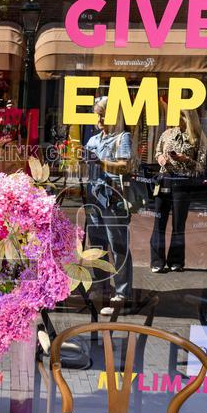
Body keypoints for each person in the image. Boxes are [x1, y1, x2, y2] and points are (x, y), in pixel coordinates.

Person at [84, 97, 136, 313]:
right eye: (98, 113)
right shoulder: (94, 139)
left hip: (113, 199)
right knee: (97, 245)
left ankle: (122, 293)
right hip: (94, 197)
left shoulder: (122, 137)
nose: (100, 118)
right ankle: (101, 287)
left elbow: (125, 166)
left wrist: (100, 162)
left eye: (103, 114)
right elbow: (85, 163)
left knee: (118, 246)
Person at [150, 107, 205, 272]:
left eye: (180, 116)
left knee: (178, 224)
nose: (176, 119)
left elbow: (201, 167)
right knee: (158, 222)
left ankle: (176, 261)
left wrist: (186, 159)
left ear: (188, 118)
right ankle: (157, 262)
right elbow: (157, 151)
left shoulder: (198, 138)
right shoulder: (167, 134)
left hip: (183, 182)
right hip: (164, 179)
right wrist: (160, 158)